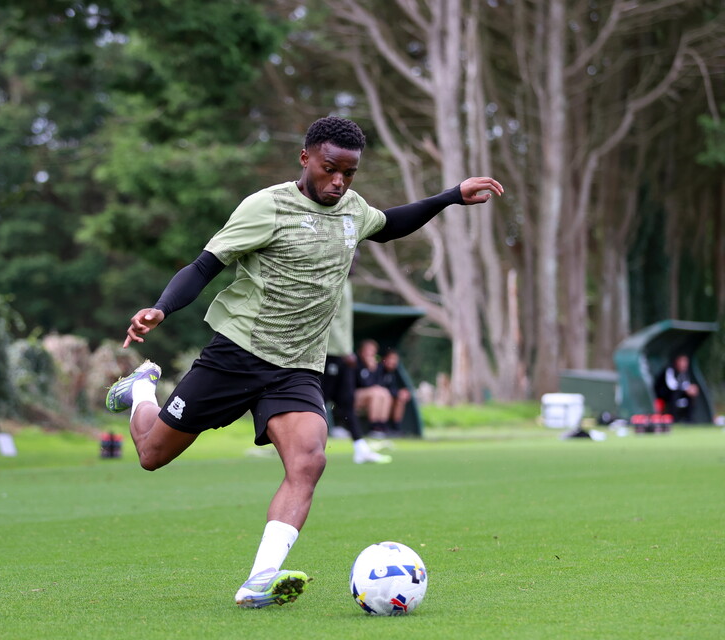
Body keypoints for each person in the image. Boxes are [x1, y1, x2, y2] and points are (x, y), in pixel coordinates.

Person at [104, 116, 502, 608]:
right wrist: (161, 307)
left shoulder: (352, 209)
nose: (339, 182)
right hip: (237, 354)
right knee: (152, 454)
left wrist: (449, 196)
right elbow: (204, 266)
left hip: (297, 366)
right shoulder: (265, 207)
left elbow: (390, 224)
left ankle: (258, 581)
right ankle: (142, 388)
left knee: (309, 460)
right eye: (330, 169)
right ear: (306, 158)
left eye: (349, 173)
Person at [322, 280, 390, 464]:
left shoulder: (348, 283)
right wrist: (346, 350)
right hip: (333, 354)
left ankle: (361, 449)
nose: (355, 260)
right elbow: (329, 317)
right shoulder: (333, 281)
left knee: (347, 402)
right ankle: (298, 445)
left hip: (344, 354)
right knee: (320, 400)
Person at [353, 338, 394, 436]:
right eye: (368, 350)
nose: (370, 353)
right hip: (355, 395)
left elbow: (379, 383)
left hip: (371, 394)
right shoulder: (355, 363)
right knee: (376, 392)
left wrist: (373, 369)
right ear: (361, 351)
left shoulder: (377, 366)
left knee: (385, 392)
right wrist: (370, 369)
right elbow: (364, 383)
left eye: (372, 350)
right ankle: (374, 426)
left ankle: (382, 425)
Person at [654, 354, 700, 423]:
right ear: (677, 362)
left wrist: (691, 389)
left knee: (690, 395)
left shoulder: (684, 373)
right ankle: (673, 419)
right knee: (675, 393)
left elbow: (686, 384)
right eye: (683, 362)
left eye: (686, 362)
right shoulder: (669, 370)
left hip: (677, 393)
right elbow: (671, 385)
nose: (684, 364)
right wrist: (686, 389)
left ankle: (689, 419)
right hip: (663, 393)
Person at [379, 348, 412, 432]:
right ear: (384, 359)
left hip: (386, 399)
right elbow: (380, 387)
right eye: (391, 358)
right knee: (386, 396)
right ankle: (379, 427)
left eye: (395, 359)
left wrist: (401, 393)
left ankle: (396, 427)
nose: (393, 362)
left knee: (400, 398)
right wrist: (397, 393)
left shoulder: (391, 374)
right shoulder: (378, 369)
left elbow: (392, 388)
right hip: (377, 399)